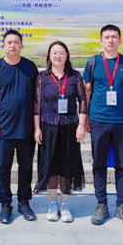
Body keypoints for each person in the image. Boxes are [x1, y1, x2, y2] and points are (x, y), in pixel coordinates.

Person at [83, 24, 123, 226]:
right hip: (99, 120)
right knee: (99, 164)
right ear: (101, 41)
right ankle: (101, 204)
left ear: (120, 40)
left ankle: (121, 205)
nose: (110, 40)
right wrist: (86, 118)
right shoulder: (93, 62)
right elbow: (87, 92)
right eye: (107, 37)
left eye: (114, 37)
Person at [0, 29, 39, 224]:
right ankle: (5, 204)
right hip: (4, 129)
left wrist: (37, 126)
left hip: (26, 129)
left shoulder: (30, 67)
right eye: (9, 42)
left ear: (22, 45)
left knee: (26, 167)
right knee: (3, 169)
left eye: (16, 42)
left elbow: (37, 98)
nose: (13, 45)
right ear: (4, 45)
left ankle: (24, 202)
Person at [33, 41, 87, 223]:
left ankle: (64, 204)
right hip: (48, 127)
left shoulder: (75, 76)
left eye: (61, 52)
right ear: (49, 56)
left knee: (66, 166)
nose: (58, 56)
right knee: (50, 165)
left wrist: (81, 125)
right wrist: (37, 128)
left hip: (69, 127)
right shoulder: (43, 77)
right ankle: (52, 203)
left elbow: (83, 101)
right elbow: (36, 104)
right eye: (54, 52)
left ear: (67, 55)